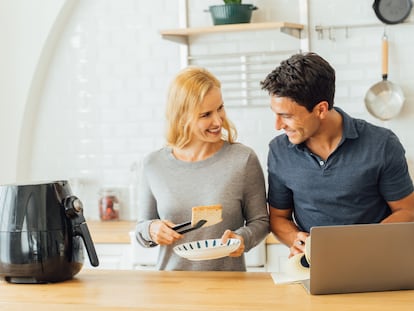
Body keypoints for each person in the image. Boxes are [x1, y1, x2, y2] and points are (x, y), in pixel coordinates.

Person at [261, 52, 414, 258]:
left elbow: (407, 211)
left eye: (286, 116)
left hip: (376, 261)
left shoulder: (382, 144)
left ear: (321, 109)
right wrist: (296, 239)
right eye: (276, 114)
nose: (278, 125)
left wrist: (361, 243)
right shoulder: (279, 152)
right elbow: (278, 218)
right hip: (315, 266)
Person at [135, 66, 269, 271]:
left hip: (228, 289)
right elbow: (141, 228)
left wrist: (242, 239)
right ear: (182, 117)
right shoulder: (153, 165)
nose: (218, 121)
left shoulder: (243, 159)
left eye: (220, 108)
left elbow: (261, 222)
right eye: (205, 114)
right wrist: (152, 229)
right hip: (171, 288)